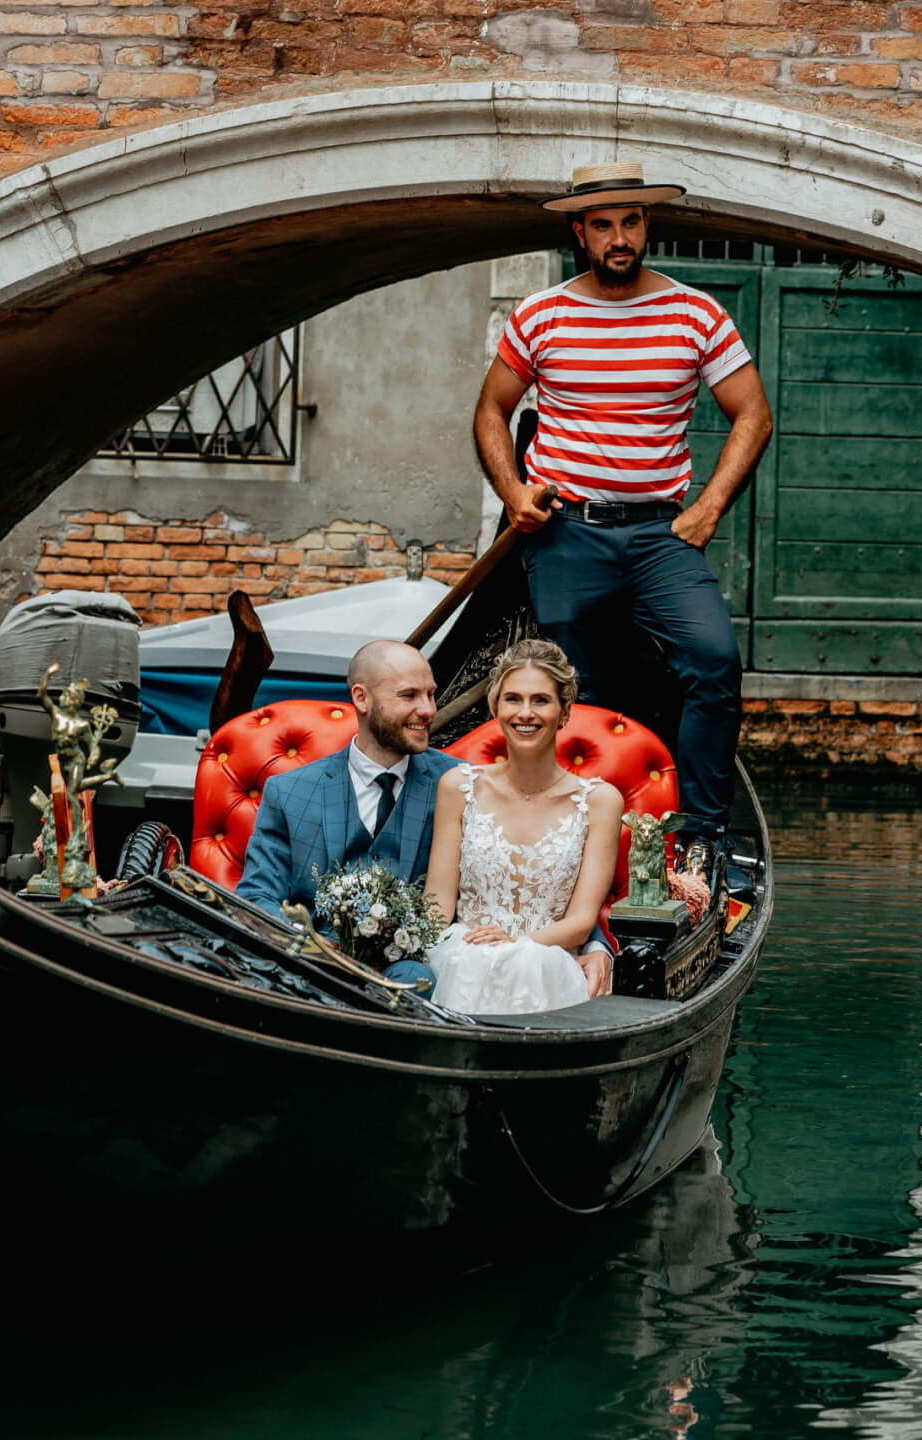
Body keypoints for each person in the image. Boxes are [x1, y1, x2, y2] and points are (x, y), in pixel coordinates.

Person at [471, 161, 772, 891]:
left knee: (714, 660)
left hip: (660, 536)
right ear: (580, 232)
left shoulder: (695, 314)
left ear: (646, 225)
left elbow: (752, 414)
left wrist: (707, 509)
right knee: (579, 692)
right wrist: (512, 491)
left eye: (630, 222)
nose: (619, 238)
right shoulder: (542, 315)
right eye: (603, 225)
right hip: (567, 534)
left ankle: (703, 839)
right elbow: (491, 411)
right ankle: (585, 843)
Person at [423, 639, 627, 1014]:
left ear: (564, 712)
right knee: (471, 961)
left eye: (541, 700)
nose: (526, 713)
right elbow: (436, 908)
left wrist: (515, 945)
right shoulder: (458, 787)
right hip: (465, 957)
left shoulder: (600, 802)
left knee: (529, 963)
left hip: (548, 961)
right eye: (513, 699)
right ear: (495, 708)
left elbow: (582, 922)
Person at [235, 639, 461, 916]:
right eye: (409, 695)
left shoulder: (461, 784)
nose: (428, 710)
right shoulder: (287, 793)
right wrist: (304, 937)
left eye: (431, 694)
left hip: (421, 944)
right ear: (361, 698)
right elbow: (257, 897)